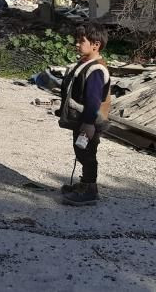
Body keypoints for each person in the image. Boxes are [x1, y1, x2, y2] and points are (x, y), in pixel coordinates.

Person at [57, 22, 111, 206]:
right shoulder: (84, 64)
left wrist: (88, 124)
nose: (77, 44)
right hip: (81, 120)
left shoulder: (96, 70)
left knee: (87, 154)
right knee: (80, 150)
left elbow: (93, 100)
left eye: (82, 41)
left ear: (95, 44)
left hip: (90, 122)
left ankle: (90, 189)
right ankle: (84, 184)